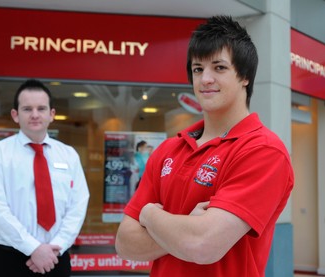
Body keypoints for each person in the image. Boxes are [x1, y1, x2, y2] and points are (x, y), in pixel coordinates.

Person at [115, 15, 294, 277]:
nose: (205, 79)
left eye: (219, 68)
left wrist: (149, 216)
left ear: (245, 76)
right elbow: (124, 244)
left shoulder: (263, 151)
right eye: (198, 69)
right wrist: (186, 227)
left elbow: (203, 245)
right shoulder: (168, 150)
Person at [0, 79, 90, 277]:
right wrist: (34, 248)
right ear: (15, 115)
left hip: (56, 257)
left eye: (41, 108)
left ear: (52, 113)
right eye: (27, 109)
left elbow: (78, 205)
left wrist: (57, 246)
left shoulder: (69, 154)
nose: (35, 115)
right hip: (8, 260)